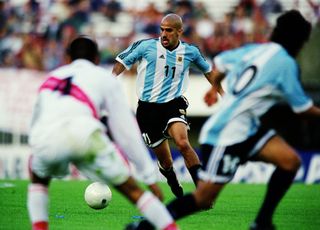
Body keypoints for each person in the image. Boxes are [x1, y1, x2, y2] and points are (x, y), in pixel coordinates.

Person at [126, 10, 320, 230]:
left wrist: (215, 86)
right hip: (228, 131)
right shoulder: (286, 64)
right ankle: (147, 226)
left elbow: (221, 61)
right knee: (202, 199)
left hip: (249, 128)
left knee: (290, 161)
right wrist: (215, 87)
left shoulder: (257, 50)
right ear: (298, 41)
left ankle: (262, 222)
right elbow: (302, 109)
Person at [27, 36, 179, 230]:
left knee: (38, 180)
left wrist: (37, 150)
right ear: (97, 59)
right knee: (133, 191)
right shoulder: (103, 77)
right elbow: (126, 131)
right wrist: (149, 177)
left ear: (67, 58)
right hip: (85, 134)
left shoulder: (52, 77)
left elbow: (35, 119)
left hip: (46, 136)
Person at [112, 13, 218, 198]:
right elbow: (121, 61)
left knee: (183, 143)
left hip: (172, 104)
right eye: (162, 29)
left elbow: (209, 71)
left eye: (168, 30)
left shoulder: (190, 52)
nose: (163, 34)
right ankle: (172, 180)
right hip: (147, 110)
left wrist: (222, 93)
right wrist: (110, 81)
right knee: (166, 162)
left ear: (179, 31)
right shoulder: (146, 46)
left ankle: (202, 192)